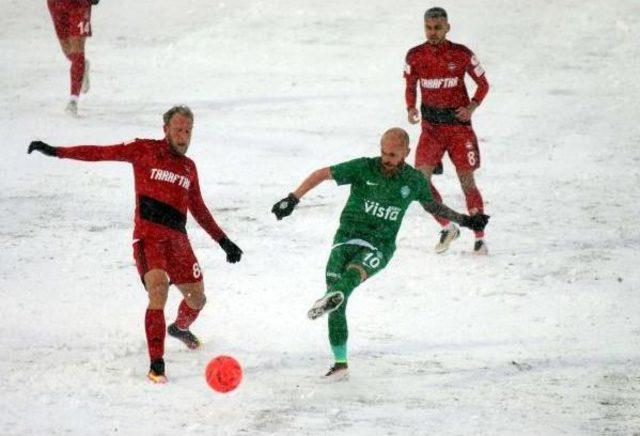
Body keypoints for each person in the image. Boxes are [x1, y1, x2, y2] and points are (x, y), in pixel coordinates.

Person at [27, 105, 243, 384]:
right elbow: (101, 152)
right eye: (178, 130)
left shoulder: (189, 168)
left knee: (197, 299)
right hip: (149, 238)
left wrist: (224, 241)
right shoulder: (143, 150)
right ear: (165, 129)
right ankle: (157, 365)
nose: (183, 136)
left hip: (178, 241)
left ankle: (178, 328)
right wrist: (57, 151)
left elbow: (198, 208)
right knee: (158, 289)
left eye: (188, 131)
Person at [271, 128, 489, 380]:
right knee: (336, 303)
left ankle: (334, 296)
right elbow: (322, 174)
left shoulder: (414, 180)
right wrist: (292, 199)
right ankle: (340, 364)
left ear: (406, 153)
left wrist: (464, 220)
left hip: (380, 246)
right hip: (346, 239)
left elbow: (431, 205)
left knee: (348, 281)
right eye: (384, 152)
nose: (386, 158)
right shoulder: (363, 167)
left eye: (393, 154)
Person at [404, 7, 490, 254]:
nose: (432, 32)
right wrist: (410, 108)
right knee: (420, 183)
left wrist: (471, 107)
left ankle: (480, 237)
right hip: (431, 129)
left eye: (437, 28)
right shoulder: (414, 56)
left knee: (467, 182)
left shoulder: (462, 54)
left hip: (458, 130)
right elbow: (410, 86)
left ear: (447, 27)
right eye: (428, 28)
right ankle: (448, 225)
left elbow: (483, 84)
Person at [47, 0, 100, 116]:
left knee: (77, 49)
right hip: (56, 4)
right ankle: (82, 66)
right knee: (68, 50)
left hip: (80, 4)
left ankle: (73, 100)